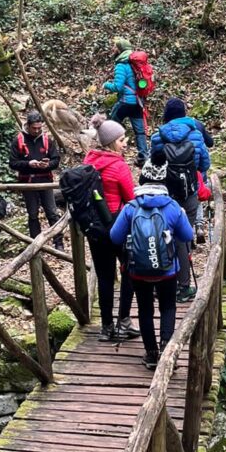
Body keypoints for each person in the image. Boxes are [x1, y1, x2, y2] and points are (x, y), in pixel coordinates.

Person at [110, 160, 194, 370]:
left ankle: (150, 354)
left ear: (142, 179)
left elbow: (114, 237)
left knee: (145, 309)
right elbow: (187, 235)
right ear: (163, 180)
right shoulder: (173, 206)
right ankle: (166, 351)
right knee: (168, 307)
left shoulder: (131, 207)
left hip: (138, 271)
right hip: (168, 270)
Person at [82, 116, 142, 342]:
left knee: (105, 276)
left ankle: (106, 327)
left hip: (94, 228)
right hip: (117, 225)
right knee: (129, 269)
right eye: (121, 140)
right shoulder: (118, 166)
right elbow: (130, 198)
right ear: (110, 143)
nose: (125, 143)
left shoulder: (88, 161)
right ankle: (124, 320)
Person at [149, 97, 211, 302]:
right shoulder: (195, 134)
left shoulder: (158, 136)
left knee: (162, 235)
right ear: (184, 113)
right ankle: (183, 286)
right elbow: (204, 165)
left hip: (165, 195)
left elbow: (154, 164)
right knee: (182, 238)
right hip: (189, 195)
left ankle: (163, 282)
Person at [9, 110, 65, 251]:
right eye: (34, 128)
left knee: (52, 212)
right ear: (28, 126)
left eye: (39, 128)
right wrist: (28, 164)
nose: (37, 131)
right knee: (32, 213)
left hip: (45, 180)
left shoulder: (47, 140)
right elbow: (13, 163)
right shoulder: (19, 140)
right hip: (28, 182)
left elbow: (56, 160)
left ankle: (59, 243)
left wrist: (48, 165)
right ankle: (35, 244)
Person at [103, 37, 150, 167]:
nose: (113, 49)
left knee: (111, 126)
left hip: (125, 102)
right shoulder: (136, 64)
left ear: (120, 49)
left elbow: (117, 87)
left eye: (115, 47)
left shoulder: (121, 65)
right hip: (137, 102)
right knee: (139, 132)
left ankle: (112, 154)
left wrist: (106, 85)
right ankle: (143, 158)